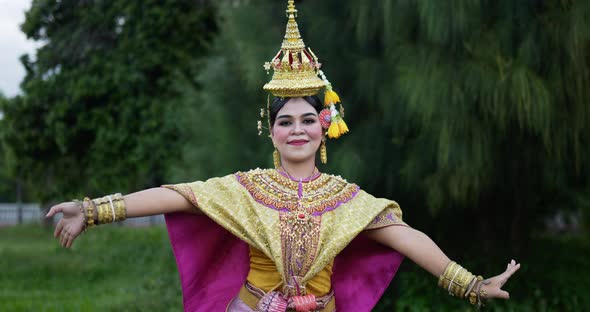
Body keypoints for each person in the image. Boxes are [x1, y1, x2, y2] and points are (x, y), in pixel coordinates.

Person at [45, 1, 520, 311]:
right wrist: (90, 211)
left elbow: (408, 237)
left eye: (308, 120)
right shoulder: (246, 189)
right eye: (285, 121)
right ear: (269, 130)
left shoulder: (346, 198)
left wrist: (470, 285)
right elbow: (175, 197)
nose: (297, 130)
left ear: (324, 126)